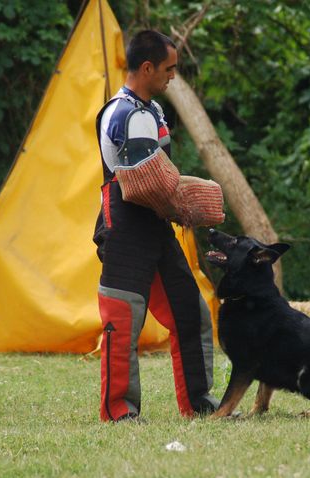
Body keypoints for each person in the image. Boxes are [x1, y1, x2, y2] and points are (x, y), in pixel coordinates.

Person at [92, 30, 219, 422]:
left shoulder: (154, 111)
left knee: (190, 312)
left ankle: (198, 404)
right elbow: (146, 184)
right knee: (122, 322)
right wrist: (182, 203)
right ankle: (120, 411)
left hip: (156, 225)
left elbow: (160, 181)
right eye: (168, 69)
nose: (172, 77)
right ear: (146, 68)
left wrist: (179, 200)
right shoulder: (121, 112)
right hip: (126, 227)